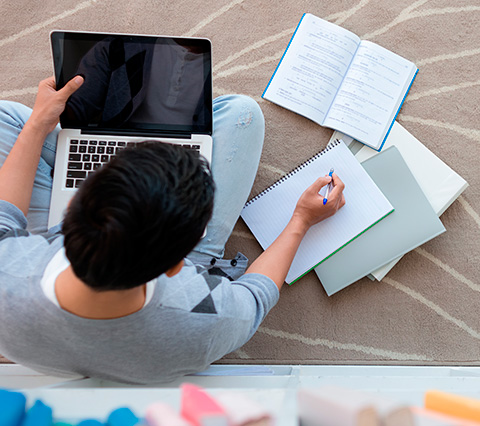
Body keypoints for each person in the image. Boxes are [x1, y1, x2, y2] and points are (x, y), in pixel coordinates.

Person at [0, 76, 345, 384]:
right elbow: (255, 295)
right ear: (176, 265)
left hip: (39, 305)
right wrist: (301, 220)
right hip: (153, 281)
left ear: (73, 206)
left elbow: (5, 216)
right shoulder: (205, 318)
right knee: (242, 113)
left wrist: (38, 123)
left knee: (6, 117)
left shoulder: (8, 268)